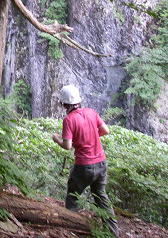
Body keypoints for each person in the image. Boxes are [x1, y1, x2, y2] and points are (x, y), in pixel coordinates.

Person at [52, 84, 119, 237]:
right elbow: (105, 130)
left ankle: (70, 228)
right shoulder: (91, 112)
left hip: (84, 166)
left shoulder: (69, 120)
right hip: (101, 163)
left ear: (64, 104)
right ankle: (112, 231)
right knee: (101, 195)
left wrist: (56, 139)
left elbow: (67, 146)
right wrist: (91, 138)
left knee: (73, 196)